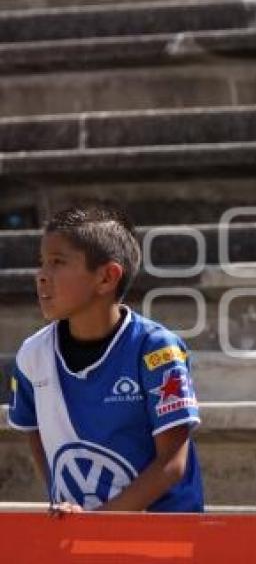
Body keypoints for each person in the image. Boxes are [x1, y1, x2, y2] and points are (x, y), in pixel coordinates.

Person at [8, 207, 204, 513]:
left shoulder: (156, 350)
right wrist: (64, 504)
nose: (42, 276)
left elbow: (172, 463)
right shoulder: (32, 356)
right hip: (82, 539)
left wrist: (97, 524)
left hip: (164, 539)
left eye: (57, 262)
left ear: (107, 277)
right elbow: (36, 438)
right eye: (41, 263)